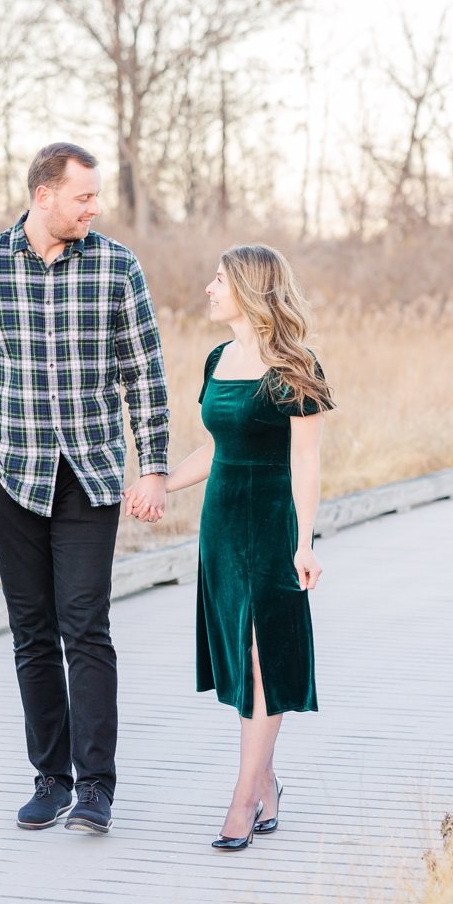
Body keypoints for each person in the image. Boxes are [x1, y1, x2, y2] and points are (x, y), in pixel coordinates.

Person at [0, 142, 169, 835]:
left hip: (91, 474)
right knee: (31, 630)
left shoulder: (118, 266)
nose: (94, 208)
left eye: (96, 197)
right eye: (83, 196)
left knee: (85, 629)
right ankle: (50, 777)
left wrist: (151, 465)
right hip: (10, 475)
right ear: (44, 194)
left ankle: (96, 786)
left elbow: (145, 376)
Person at [136, 244, 332, 851]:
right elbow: (218, 446)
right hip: (221, 527)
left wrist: (304, 541)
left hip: (273, 524)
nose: (208, 288)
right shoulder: (218, 359)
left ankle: (243, 797)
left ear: (248, 288)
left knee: (261, 656)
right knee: (237, 658)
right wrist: (161, 482)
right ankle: (268, 778)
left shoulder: (298, 366)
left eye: (218, 279)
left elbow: (306, 461)